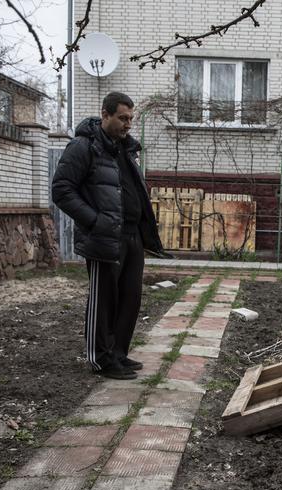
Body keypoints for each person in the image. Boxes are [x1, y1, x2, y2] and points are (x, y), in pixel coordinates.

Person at [51, 91, 172, 380]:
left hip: (131, 236)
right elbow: (62, 190)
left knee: (130, 298)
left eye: (131, 118)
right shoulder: (83, 147)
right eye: (122, 118)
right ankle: (101, 359)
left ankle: (118, 353)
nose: (128, 124)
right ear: (105, 115)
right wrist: (95, 221)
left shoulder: (125, 150)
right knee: (104, 300)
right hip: (105, 238)